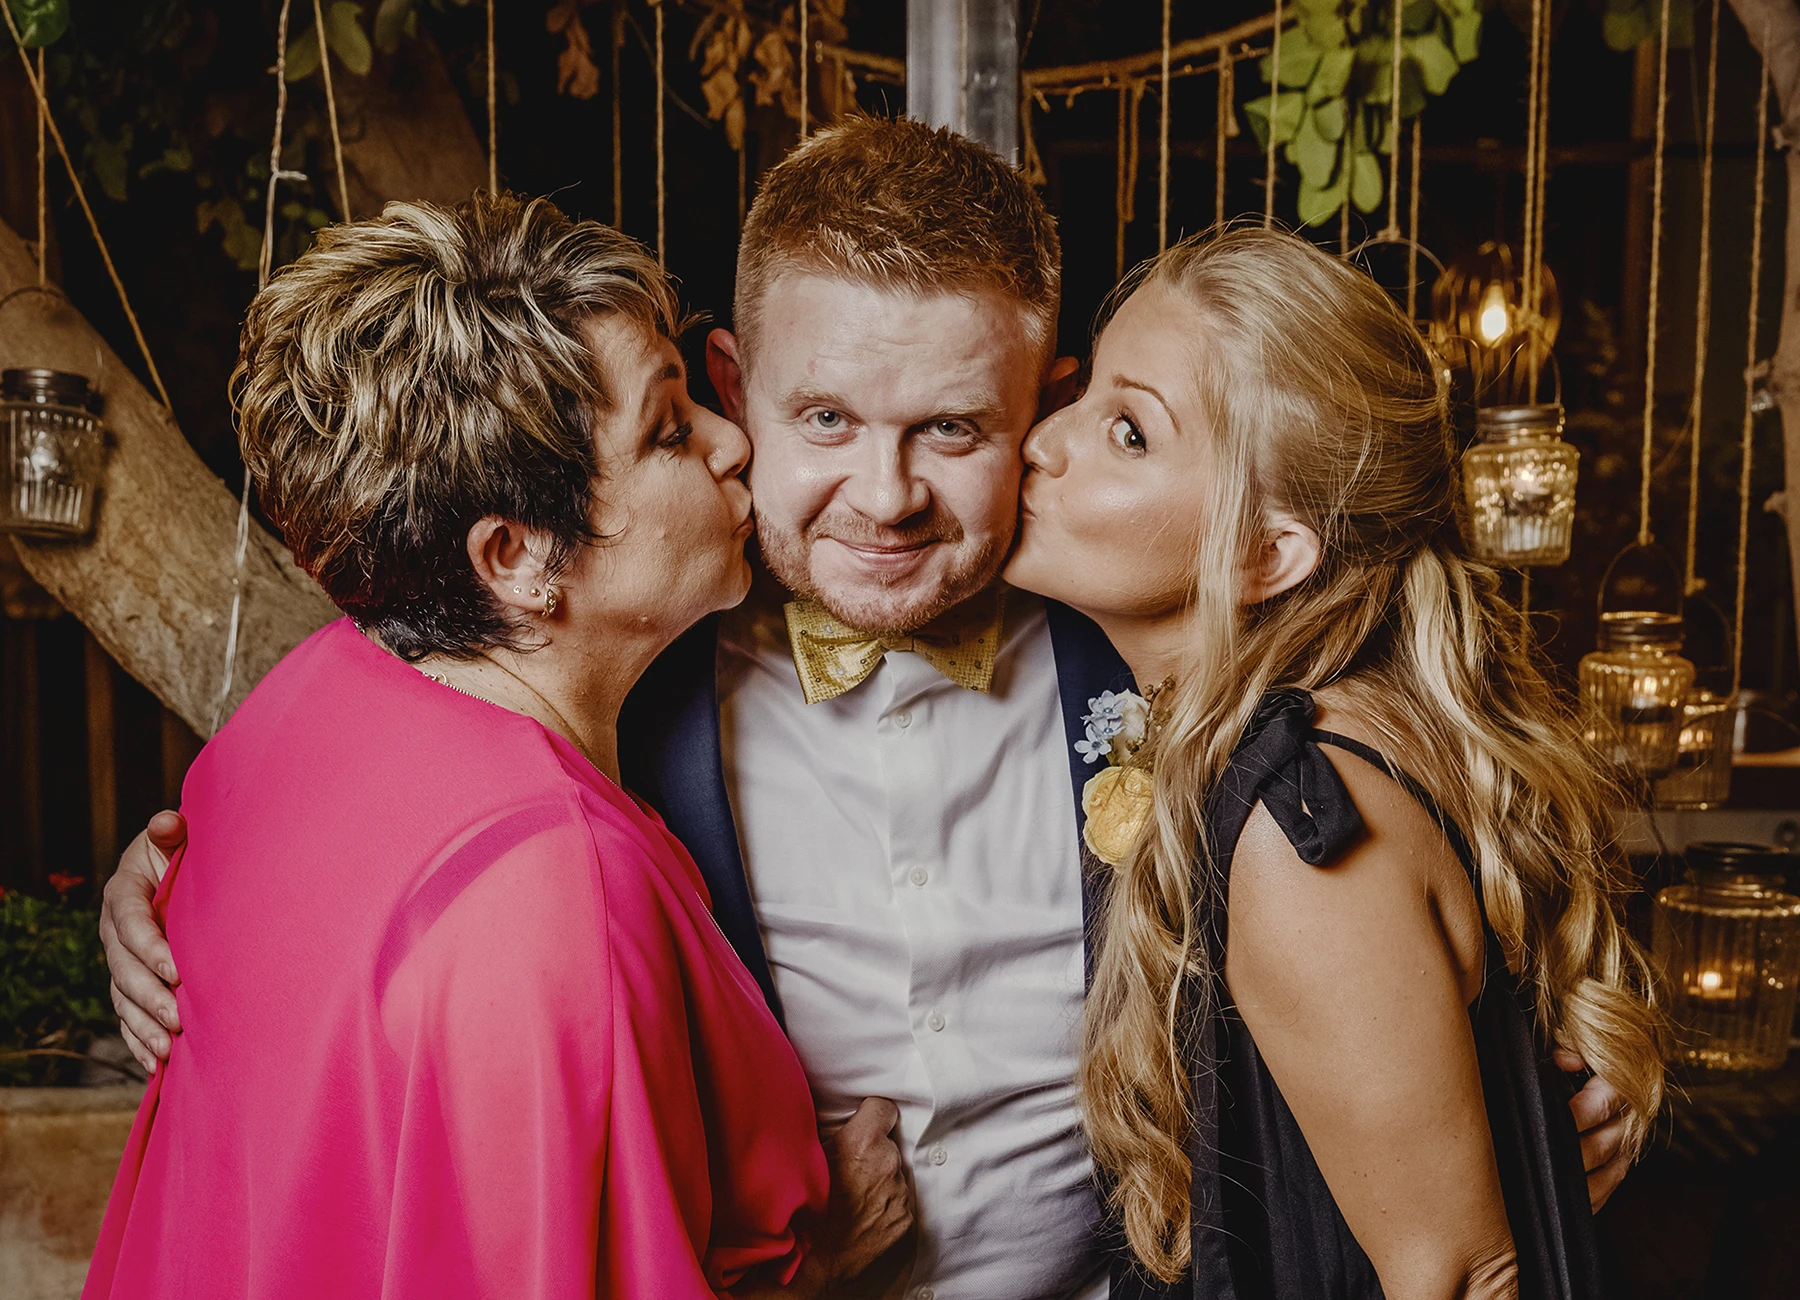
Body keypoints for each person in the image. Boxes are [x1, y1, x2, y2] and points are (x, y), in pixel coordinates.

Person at [100, 119, 1637, 1299]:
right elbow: (391, 783)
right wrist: (163, 900)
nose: (888, 497)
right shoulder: (615, 669)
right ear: (729, 388)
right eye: (824, 420)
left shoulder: (1161, 647)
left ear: (1043, 408)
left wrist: (1574, 1060)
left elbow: (1459, 820)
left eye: (953, 427)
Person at [83, 193, 911, 1300]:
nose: (731, 442)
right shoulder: (560, 885)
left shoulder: (300, 699)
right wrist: (833, 1260)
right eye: (670, 429)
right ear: (517, 554)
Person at [1006, 227, 1665, 1299]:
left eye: (1128, 430)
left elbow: (1464, 1277)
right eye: (1082, 399)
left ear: (1270, 551)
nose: (1044, 441)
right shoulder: (1331, 730)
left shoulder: (1299, 823)